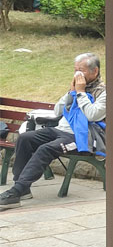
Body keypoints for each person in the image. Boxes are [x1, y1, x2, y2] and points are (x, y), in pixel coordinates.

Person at [0, 53, 106, 210]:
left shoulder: (104, 92)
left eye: (81, 70)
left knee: (46, 149)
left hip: (81, 137)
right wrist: (70, 93)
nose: (77, 74)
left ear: (95, 71)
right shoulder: (76, 88)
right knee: (25, 138)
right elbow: (57, 111)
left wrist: (81, 92)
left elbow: (93, 115)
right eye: (75, 70)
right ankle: (22, 188)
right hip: (59, 130)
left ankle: (15, 192)